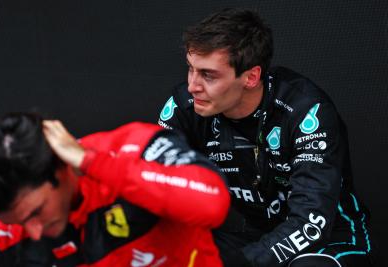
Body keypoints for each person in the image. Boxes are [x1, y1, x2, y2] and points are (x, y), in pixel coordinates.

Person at [158, 7, 376, 267]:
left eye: (208, 74)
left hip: (327, 239)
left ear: (251, 77)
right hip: (253, 235)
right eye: (191, 69)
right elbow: (154, 182)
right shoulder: (185, 106)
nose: (193, 85)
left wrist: (240, 262)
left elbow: (311, 223)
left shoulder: (306, 111)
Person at [0, 112, 230, 266]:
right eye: (20, 222)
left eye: (36, 212)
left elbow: (213, 203)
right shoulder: (12, 229)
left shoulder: (134, 148)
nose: (35, 232)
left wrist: (91, 162)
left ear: (61, 168)